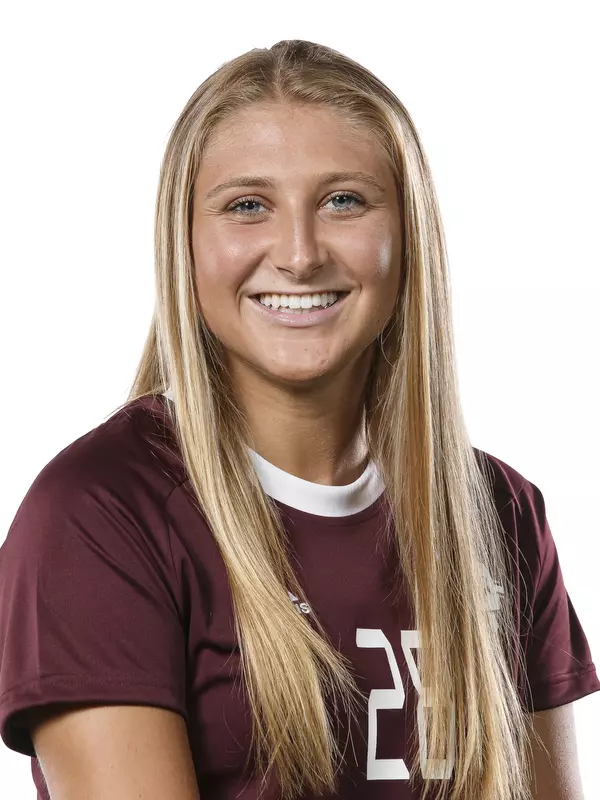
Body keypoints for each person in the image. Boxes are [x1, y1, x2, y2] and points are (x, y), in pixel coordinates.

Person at [0, 39, 598, 800]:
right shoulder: (98, 517)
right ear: (183, 244)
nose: (299, 253)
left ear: (408, 234)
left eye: (343, 200)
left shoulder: (500, 514)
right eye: (248, 206)